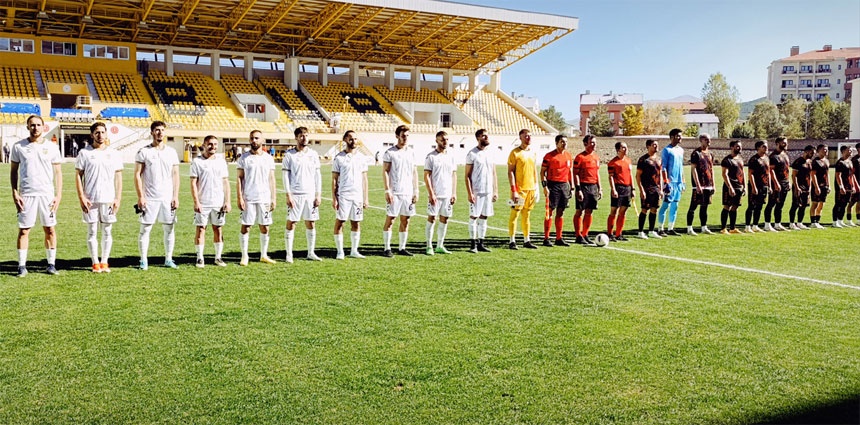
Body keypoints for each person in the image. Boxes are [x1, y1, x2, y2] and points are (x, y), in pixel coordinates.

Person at [10, 115, 62, 277]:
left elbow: (58, 172)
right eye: (32, 125)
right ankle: (21, 266)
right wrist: (15, 192)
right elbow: (13, 171)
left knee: (50, 229)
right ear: (27, 127)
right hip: (27, 194)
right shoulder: (19, 146)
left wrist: (58, 195)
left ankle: (51, 264)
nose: (35, 128)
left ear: (43, 127)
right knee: (24, 230)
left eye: (38, 125)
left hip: (47, 195)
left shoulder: (52, 147)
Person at [75, 122, 122, 273]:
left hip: (108, 199)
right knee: (92, 231)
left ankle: (105, 261)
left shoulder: (113, 153)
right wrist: (82, 197)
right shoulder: (85, 153)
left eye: (102, 132)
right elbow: (78, 176)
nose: (100, 135)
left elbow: (119, 177)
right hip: (91, 199)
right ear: (92, 135)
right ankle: (95, 262)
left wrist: (117, 198)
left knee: (107, 231)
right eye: (97, 132)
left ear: (106, 134)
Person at [134, 120, 179, 270]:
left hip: (167, 198)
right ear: (152, 132)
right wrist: (141, 196)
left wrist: (175, 196)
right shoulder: (144, 151)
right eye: (157, 130)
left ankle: (168, 259)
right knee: (145, 229)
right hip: (150, 198)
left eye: (162, 130)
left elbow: (175, 175)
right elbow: (137, 175)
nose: (160, 133)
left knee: (169, 228)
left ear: (165, 132)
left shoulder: (171, 152)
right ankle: (143, 260)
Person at [237, 129, 277, 265]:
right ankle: (244, 256)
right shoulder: (244, 158)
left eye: (257, 138)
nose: (254, 140)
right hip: (248, 198)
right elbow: (239, 179)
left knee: (265, 227)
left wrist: (273, 198)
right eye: (252, 138)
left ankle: (263, 255)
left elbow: (272, 179)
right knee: (246, 226)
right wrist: (240, 198)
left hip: (264, 198)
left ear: (262, 140)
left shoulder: (268, 158)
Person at [190, 135, 230, 268]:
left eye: (215, 144)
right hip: (203, 202)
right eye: (210, 144)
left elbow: (225, 182)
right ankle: (199, 258)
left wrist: (227, 201)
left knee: (218, 229)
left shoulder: (221, 161)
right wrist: (196, 202)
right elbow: (193, 183)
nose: (213, 146)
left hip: (218, 203)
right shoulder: (197, 161)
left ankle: (218, 257)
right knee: (201, 229)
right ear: (204, 145)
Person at [283, 127, 322, 262]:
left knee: (311, 223)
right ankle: (289, 254)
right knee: (292, 223)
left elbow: (318, 175)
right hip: (296, 194)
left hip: (310, 194)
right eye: (301, 136)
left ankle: (310, 252)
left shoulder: (313, 154)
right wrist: (288, 194)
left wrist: (318, 194)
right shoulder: (289, 155)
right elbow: (285, 176)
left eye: (306, 135)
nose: (304, 138)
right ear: (296, 138)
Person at [382, 125, 419, 257]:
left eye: (407, 135)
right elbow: (385, 171)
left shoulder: (411, 152)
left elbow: (414, 172)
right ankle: (387, 248)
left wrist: (416, 190)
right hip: (395, 192)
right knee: (391, 220)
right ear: (397, 136)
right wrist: (387, 190)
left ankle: (402, 248)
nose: (405, 138)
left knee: (406, 220)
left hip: (408, 192)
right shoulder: (390, 153)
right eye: (403, 135)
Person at [332, 130, 369, 259]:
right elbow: (334, 179)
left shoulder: (361, 158)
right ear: (345, 140)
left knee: (356, 223)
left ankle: (354, 251)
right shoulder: (339, 158)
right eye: (351, 139)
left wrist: (366, 198)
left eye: (355, 138)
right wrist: (334, 198)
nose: (354, 141)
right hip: (344, 195)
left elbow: (364, 179)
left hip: (357, 196)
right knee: (340, 222)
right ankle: (340, 251)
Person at [424, 131, 457, 255]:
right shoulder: (431, 157)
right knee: (432, 219)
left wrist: (454, 193)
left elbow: (454, 175)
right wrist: (431, 193)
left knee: (445, 219)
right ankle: (429, 245)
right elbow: (426, 176)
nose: (445, 142)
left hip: (447, 194)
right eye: (443, 139)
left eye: (447, 139)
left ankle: (440, 245)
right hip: (436, 194)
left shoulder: (451, 156)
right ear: (436, 141)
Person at [465, 129, 497, 253]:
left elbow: (493, 173)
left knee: (484, 217)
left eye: (487, 135)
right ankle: (472, 244)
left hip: (488, 191)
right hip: (477, 191)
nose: (487, 137)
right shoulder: (472, 154)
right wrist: (470, 193)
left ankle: (481, 243)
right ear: (478, 138)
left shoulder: (490, 153)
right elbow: (467, 175)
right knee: (474, 217)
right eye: (484, 136)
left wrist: (495, 191)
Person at [507, 129, 540, 249]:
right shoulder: (515, 153)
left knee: (527, 215)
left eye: (530, 136)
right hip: (519, 190)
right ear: (520, 137)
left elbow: (534, 170)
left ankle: (527, 240)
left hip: (530, 189)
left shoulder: (533, 152)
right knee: (515, 214)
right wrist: (514, 190)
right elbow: (510, 172)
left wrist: (536, 187)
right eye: (526, 136)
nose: (529, 138)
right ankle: (512, 241)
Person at [540, 135, 573, 246]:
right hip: (552, 185)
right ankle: (546, 238)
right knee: (550, 211)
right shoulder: (549, 156)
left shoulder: (568, 156)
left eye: (566, 142)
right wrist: (545, 187)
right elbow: (542, 172)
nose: (564, 144)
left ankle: (559, 238)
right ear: (556, 143)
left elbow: (569, 172)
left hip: (564, 186)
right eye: (562, 142)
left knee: (561, 211)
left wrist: (572, 187)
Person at [572, 134, 601, 245]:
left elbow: (597, 173)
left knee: (589, 211)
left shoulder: (596, 157)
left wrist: (600, 188)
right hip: (583, 186)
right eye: (592, 142)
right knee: (579, 211)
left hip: (593, 186)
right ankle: (578, 235)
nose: (594, 144)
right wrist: (578, 189)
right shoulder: (580, 157)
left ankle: (585, 234)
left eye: (595, 142)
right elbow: (575, 174)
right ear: (585, 144)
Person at [657, 128, 685, 235]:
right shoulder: (666, 150)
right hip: (670, 182)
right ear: (672, 137)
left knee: (675, 205)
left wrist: (683, 181)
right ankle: (660, 228)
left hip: (678, 183)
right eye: (678, 135)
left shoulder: (681, 150)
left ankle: (670, 228)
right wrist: (666, 182)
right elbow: (663, 168)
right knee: (665, 205)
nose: (680, 137)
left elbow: (681, 167)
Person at [686, 134, 715, 235]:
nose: (709, 141)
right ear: (701, 140)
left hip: (708, 184)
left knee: (705, 206)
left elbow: (711, 169)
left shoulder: (710, 154)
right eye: (706, 139)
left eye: (709, 139)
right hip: (699, 185)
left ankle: (704, 227)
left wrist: (713, 184)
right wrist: (697, 185)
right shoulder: (696, 153)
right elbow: (693, 169)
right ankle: (689, 228)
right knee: (693, 206)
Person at [607, 141, 633, 241]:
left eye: (626, 147)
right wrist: (613, 189)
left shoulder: (628, 161)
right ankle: (610, 233)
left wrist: (632, 188)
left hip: (627, 188)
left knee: (623, 211)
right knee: (614, 210)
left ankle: (619, 234)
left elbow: (630, 175)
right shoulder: (613, 163)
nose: (626, 149)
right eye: (623, 147)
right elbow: (611, 177)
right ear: (618, 150)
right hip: (618, 188)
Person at [636, 139, 662, 239]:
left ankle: (651, 231)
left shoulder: (659, 160)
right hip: (647, 189)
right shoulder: (643, 160)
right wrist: (641, 190)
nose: (656, 147)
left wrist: (661, 189)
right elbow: (638, 176)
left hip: (656, 189)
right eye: (654, 145)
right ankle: (640, 232)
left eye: (657, 144)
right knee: (644, 210)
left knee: (654, 209)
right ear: (648, 147)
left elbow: (659, 175)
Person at [763, 137, 791, 231]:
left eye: (786, 143)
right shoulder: (773, 156)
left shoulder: (785, 155)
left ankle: (777, 224)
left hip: (785, 183)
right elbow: (771, 171)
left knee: (780, 204)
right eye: (783, 143)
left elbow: (787, 169)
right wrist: (776, 183)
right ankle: (767, 224)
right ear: (777, 143)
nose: (786, 144)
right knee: (771, 203)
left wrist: (788, 181)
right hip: (776, 184)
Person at [744, 140, 770, 233]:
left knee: (759, 206)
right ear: (758, 148)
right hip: (755, 186)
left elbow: (768, 173)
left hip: (764, 186)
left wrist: (769, 185)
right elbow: (750, 174)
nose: (766, 148)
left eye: (766, 146)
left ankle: (755, 225)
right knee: (751, 206)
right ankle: (747, 226)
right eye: (763, 146)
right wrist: (754, 187)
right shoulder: (754, 159)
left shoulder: (767, 158)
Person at [720, 141, 744, 234]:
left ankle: (732, 228)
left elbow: (742, 173)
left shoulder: (740, 159)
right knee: (727, 206)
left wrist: (744, 186)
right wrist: (730, 187)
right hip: (729, 187)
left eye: (740, 146)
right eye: (737, 146)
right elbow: (724, 174)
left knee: (735, 207)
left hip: (739, 187)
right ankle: (723, 228)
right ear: (731, 147)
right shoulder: (727, 160)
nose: (739, 148)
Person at [788, 145, 815, 230]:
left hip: (807, 187)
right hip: (799, 186)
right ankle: (792, 223)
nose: (812, 154)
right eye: (811, 153)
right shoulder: (798, 161)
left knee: (803, 205)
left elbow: (810, 175)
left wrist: (810, 187)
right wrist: (797, 187)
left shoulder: (810, 162)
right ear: (806, 151)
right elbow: (794, 175)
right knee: (795, 205)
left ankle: (799, 223)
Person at [832, 145, 858, 228]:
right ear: (843, 151)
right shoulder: (840, 162)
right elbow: (838, 175)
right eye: (849, 150)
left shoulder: (850, 161)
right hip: (842, 187)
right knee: (838, 204)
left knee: (844, 204)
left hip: (849, 186)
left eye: (851, 150)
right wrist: (841, 187)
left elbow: (852, 175)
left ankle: (840, 220)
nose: (851, 152)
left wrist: (853, 186)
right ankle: (834, 222)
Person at [809, 144, 830, 229]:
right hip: (817, 186)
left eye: (826, 150)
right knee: (815, 204)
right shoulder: (815, 161)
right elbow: (813, 175)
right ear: (818, 151)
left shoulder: (827, 161)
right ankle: (813, 222)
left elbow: (827, 174)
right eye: (823, 150)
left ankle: (817, 221)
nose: (825, 151)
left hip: (824, 186)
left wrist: (829, 185)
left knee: (821, 204)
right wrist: (816, 186)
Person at [848, 143, 860, 226]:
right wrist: (854, 185)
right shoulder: (854, 160)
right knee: (851, 202)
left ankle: (858, 220)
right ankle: (849, 220)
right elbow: (851, 173)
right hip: (856, 183)